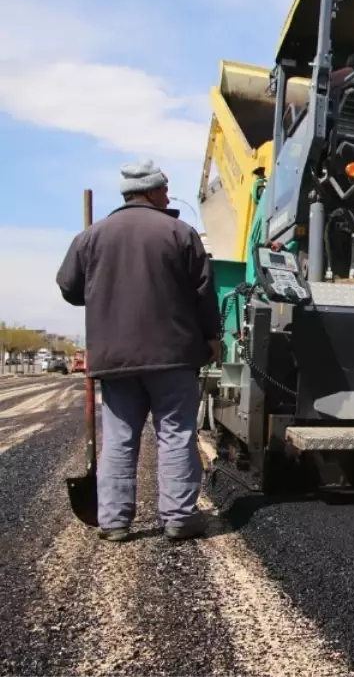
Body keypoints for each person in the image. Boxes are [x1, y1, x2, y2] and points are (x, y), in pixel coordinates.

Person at [56, 159, 220, 542]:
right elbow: (203, 294)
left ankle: (113, 521)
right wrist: (212, 338)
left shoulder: (92, 236)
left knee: (119, 437)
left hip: (114, 359)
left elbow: (69, 288)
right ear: (150, 190)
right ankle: (179, 517)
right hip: (173, 356)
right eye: (164, 189)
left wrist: (101, 291)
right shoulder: (181, 233)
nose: (167, 195)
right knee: (176, 434)